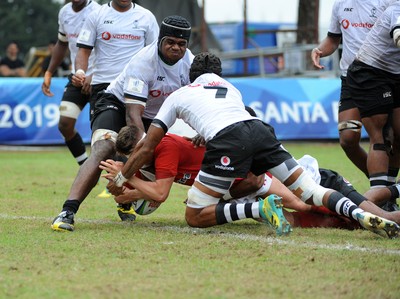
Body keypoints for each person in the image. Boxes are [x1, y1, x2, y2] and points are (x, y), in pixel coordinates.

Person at [106, 52, 400, 239]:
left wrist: (122, 177)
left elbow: (148, 149)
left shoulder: (181, 94)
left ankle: (259, 210)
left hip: (231, 146)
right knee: (310, 193)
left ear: (190, 77)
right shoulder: (230, 88)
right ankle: (361, 214)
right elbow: (248, 121)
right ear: (218, 77)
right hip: (259, 133)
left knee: (195, 215)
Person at [101, 126, 400, 232]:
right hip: (237, 186)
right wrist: (125, 191)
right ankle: (382, 197)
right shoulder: (148, 157)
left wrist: (131, 183)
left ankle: (386, 200)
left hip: (255, 177)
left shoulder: (162, 147)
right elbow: (140, 192)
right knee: (301, 218)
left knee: (306, 205)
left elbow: (160, 194)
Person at [51, 15, 193, 231]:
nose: (176, 48)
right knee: (104, 148)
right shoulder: (144, 61)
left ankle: (127, 198)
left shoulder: (189, 63)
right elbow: (133, 118)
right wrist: (139, 155)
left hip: (156, 115)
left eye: (181, 44)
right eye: (170, 42)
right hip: (119, 104)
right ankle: (67, 211)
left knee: (161, 155)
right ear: (160, 40)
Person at [311, 0, 394, 178]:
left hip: (379, 76)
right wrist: (319, 50)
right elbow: (333, 39)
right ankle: (381, 183)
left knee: (388, 136)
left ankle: (383, 187)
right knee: (348, 139)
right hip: (350, 78)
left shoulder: (387, 3)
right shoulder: (340, 4)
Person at [346, 3, 400, 202]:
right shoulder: (397, 9)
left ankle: (387, 196)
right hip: (370, 72)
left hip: (395, 75)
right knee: (382, 135)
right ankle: (377, 201)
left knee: (399, 135)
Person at [42, 0, 100, 166]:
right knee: (65, 124)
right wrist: (49, 72)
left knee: (102, 133)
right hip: (77, 78)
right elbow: (62, 43)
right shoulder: (64, 12)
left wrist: (94, 75)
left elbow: (109, 48)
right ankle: (85, 167)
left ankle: (114, 178)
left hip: (101, 79)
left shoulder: (98, 11)